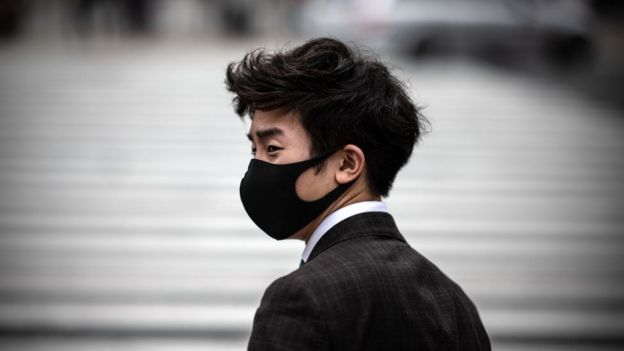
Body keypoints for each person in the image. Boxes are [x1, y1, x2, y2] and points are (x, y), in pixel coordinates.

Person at [225, 37, 490, 351]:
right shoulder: (453, 302)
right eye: (253, 148)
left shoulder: (302, 298)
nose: (256, 167)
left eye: (272, 149)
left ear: (348, 164)